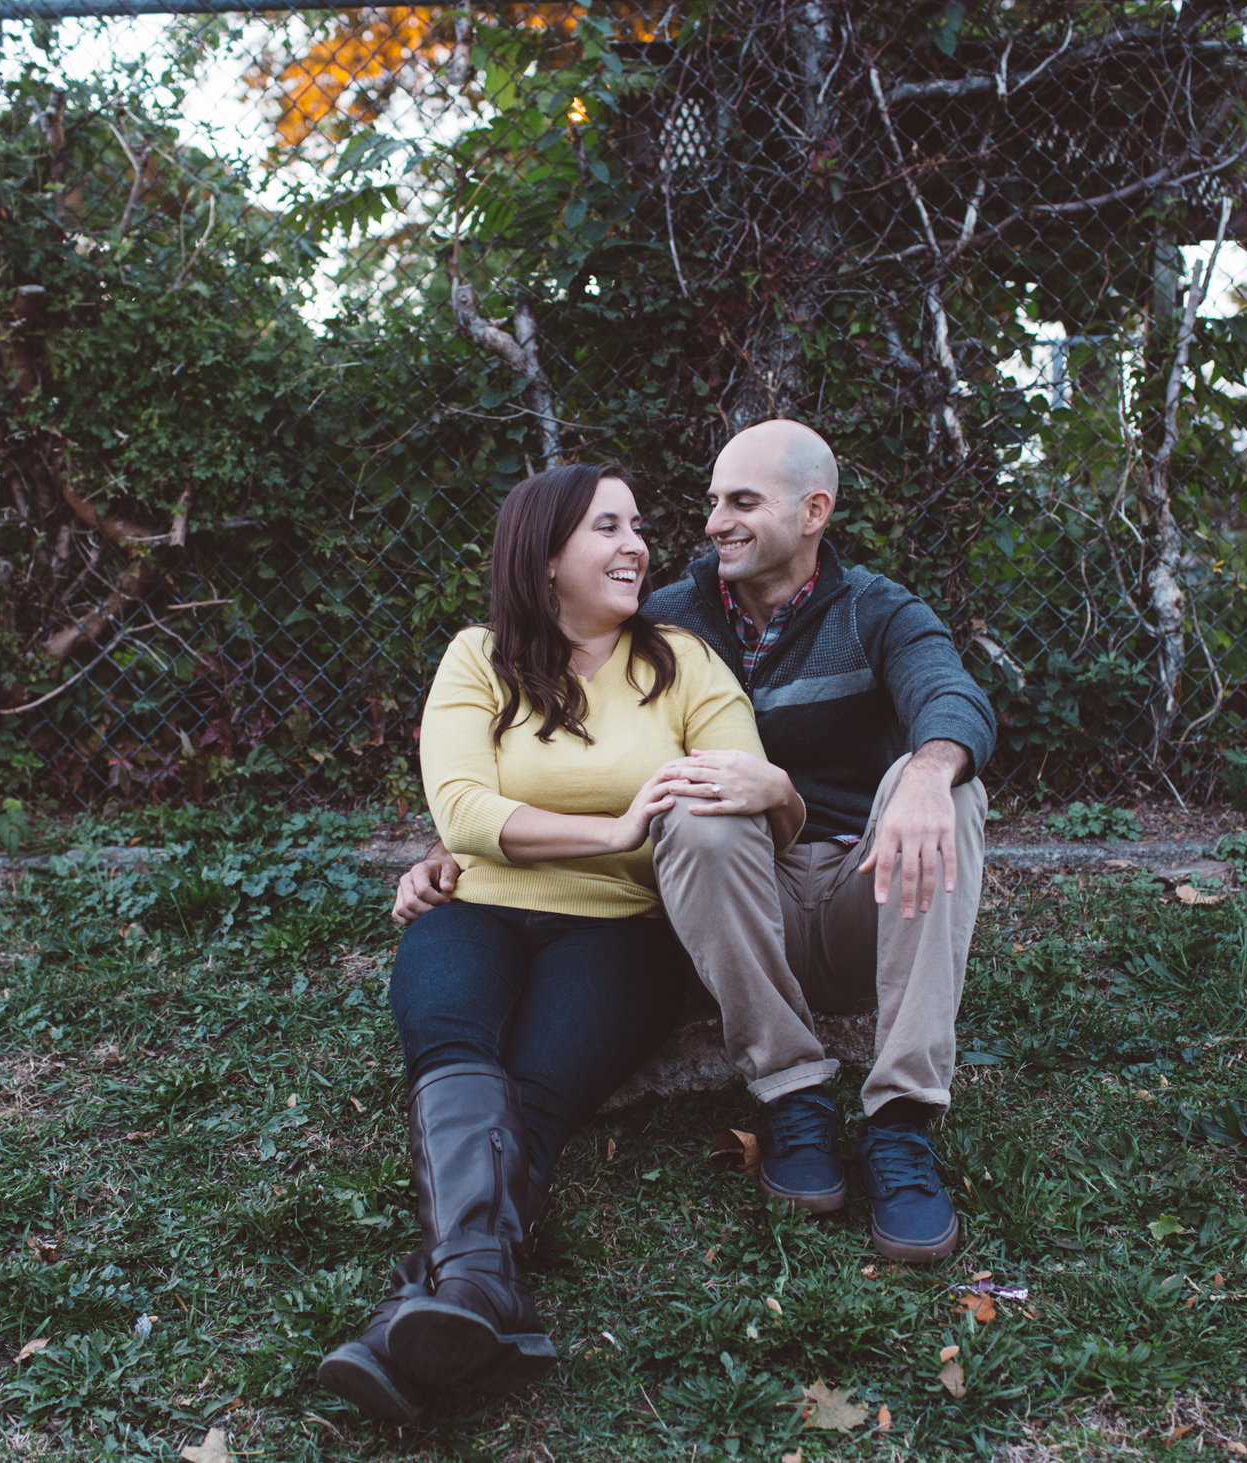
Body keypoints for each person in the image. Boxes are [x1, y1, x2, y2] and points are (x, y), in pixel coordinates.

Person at [394, 420, 994, 1265]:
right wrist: (454, 841)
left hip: (865, 879)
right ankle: (791, 1096)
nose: (710, 523)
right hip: (739, 895)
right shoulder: (668, 615)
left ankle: (900, 1121)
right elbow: (519, 760)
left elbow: (951, 694)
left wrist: (926, 774)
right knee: (697, 810)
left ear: (814, 510)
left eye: (741, 501)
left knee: (948, 779)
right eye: (711, 502)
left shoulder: (871, 611)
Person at [320, 463, 803, 1423]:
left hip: (621, 928)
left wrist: (759, 790)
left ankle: (429, 1313)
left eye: (636, 528)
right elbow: (462, 810)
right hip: (478, 907)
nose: (637, 547)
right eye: (607, 528)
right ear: (544, 561)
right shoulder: (477, 656)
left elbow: (741, 787)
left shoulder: (682, 662)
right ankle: (480, 1297)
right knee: (453, 1048)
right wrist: (614, 826)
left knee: (536, 1097)